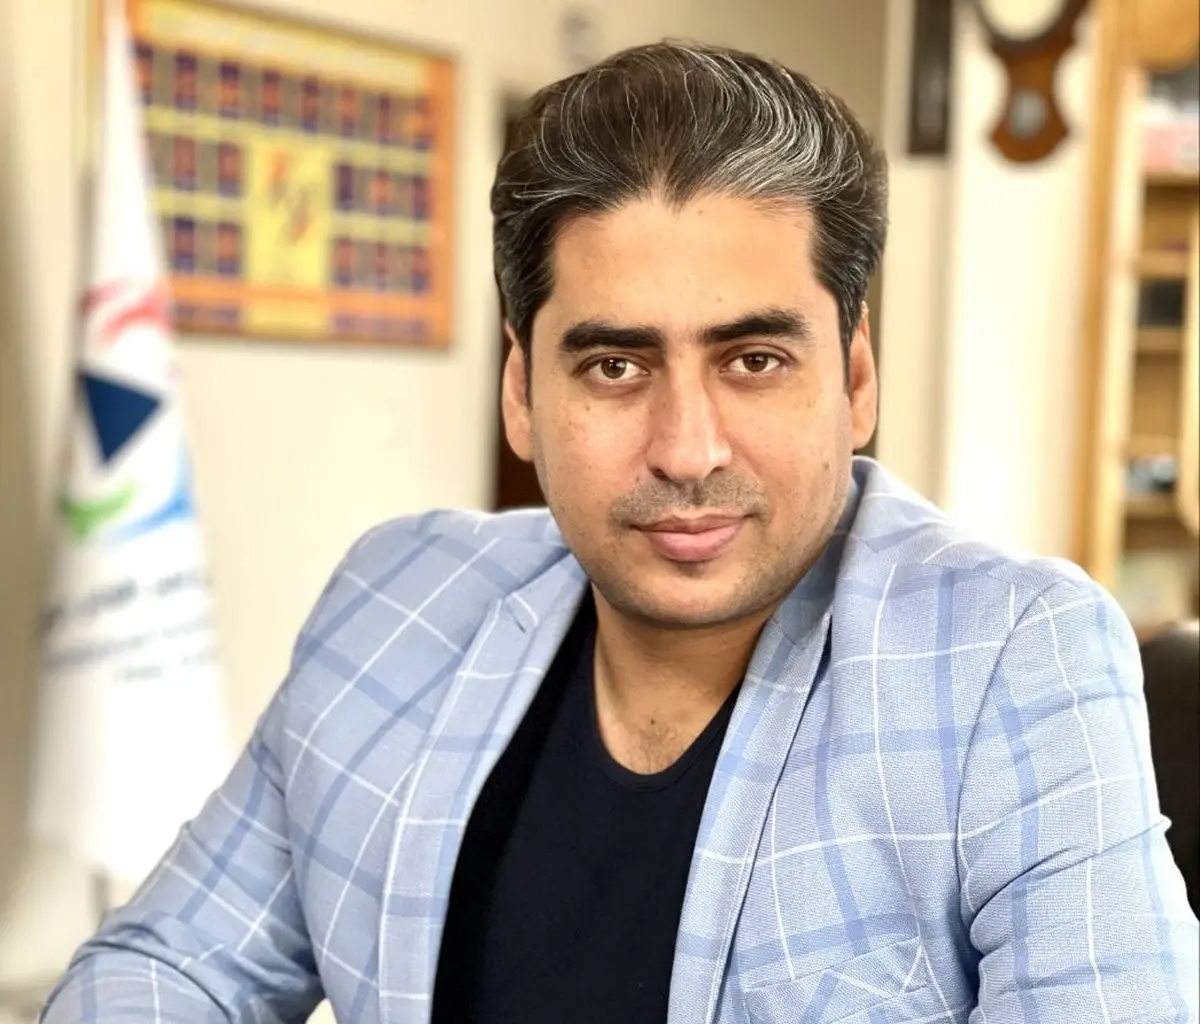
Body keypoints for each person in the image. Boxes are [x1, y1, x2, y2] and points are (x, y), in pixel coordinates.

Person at [41, 40, 1198, 1024]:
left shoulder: (1009, 660)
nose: (688, 449)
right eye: (614, 365)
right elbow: (166, 965)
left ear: (854, 380)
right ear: (520, 392)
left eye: (754, 359)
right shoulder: (398, 598)